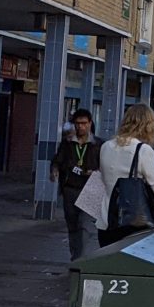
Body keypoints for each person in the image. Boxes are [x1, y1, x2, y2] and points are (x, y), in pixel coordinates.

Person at [96, 104, 154, 246]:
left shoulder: (106, 146)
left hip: (105, 221)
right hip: (131, 224)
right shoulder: (143, 150)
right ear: (149, 126)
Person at [50, 109, 100, 260]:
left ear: (90, 123)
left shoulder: (98, 144)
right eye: (77, 124)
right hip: (71, 189)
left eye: (84, 123)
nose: (81, 127)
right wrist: (55, 170)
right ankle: (75, 256)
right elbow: (57, 160)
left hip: (90, 189)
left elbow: (104, 166)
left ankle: (83, 259)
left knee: (85, 226)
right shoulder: (68, 144)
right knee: (73, 226)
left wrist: (95, 172)